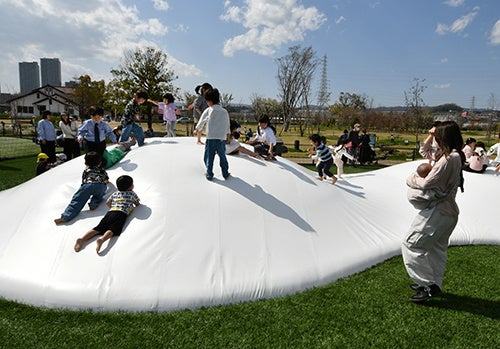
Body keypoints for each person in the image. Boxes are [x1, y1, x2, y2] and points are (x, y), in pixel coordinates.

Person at [403, 121, 465, 303]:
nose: (435, 140)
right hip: (448, 213)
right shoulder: (452, 156)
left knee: (411, 244)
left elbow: (427, 183)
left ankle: (428, 285)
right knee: (436, 249)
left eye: (438, 136)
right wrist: (431, 133)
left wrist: (411, 178)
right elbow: (425, 150)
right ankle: (433, 283)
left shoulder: (448, 159)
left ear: (444, 138)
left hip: (438, 211)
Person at [74, 175, 140, 254]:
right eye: (132, 184)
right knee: (112, 229)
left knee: (98, 228)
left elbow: (108, 202)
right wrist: (135, 205)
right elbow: (137, 203)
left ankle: (82, 239)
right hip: (121, 213)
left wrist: (112, 208)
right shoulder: (132, 193)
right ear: (129, 187)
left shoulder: (115, 193)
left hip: (110, 212)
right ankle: (102, 240)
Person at [54, 152, 109, 224]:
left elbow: (84, 180)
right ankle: (93, 205)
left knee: (77, 200)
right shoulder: (102, 170)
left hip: (88, 185)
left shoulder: (86, 170)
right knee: (99, 195)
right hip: (100, 186)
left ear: (86, 163)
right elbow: (106, 180)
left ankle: (65, 217)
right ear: (100, 163)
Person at [195, 88, 231, 181]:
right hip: (221, 139)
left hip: (211, 138)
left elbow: (202, 120)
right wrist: (228, 135)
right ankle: (225, 173)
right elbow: (227, 125)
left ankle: (209, 174)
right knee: (222, 156)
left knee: (209, 157)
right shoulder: (224, 111)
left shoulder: (209, 110)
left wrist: (197, 129)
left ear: (209, 101)